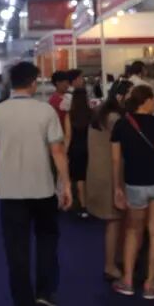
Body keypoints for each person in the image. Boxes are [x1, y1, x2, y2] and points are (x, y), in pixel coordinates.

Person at [0, 62, 72, 306]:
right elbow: (57, 151)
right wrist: (66, 184)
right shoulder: (45, 111)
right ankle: (46, 292)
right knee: (47, 241)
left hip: (10, 192)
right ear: (33, 83)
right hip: (43, 189)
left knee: (16, 250)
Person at [111, 84, 154, 300]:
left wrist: (117, 187)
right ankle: (150, 284)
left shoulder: (121, 125)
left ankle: (127, 280)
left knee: (133, 231)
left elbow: (116, 159)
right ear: (146, 101)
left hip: (134, 183)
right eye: (153, 99)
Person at [86, 83, 131, 279]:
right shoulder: (114, 118)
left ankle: (117, 261)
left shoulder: (101, 113)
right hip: (111, 174)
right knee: (114, 221)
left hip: (99, 173)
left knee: (115, 221)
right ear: (121, 97)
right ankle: (111, 265)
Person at [64, 86, 91, 218]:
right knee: (88, 176)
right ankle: (90, 204)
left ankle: (82, 205)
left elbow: (68, 136)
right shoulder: (92, 114)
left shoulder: (70, 115)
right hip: (89, 148)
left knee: (79, 178)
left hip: (75, 150)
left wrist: (64, 153)